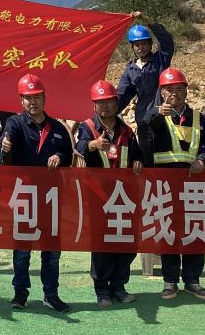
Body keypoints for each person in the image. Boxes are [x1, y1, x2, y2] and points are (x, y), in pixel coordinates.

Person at [139, 67, 205, 301]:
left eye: (178, 89)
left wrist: (203, 160)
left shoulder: (197, 118)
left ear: (186, 90)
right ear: (162, 92)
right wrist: (157, 112)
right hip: (166, 185)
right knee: (170, 231)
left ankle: (193, 280)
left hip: (194, 184)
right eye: (169, 89)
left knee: (195, 230)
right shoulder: (156, 115)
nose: (174, 93)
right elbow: (147, 124)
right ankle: (170, 281)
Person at [0, 73, 73, 313]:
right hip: (24, 197)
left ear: (44, 98)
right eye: (28, 98)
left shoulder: (58, 128)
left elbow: (68, 155)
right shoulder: (14, 124)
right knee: (22, 250)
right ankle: (20, 294)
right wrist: (5, 147)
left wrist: (59, 156)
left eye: (37, 97)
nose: (33, 102)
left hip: (51, 198)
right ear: (21, 100)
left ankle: (51, 295)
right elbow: (4, 151)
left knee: (51, 251)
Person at [75, 80, 142, 307]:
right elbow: (80, 147)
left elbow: (137, 154)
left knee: (125, 243)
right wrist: (93, 145)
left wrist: (138, 161)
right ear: (94, 105)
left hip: (123, 197)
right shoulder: (87, 127)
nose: (104, 106)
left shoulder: (126, 131)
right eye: (99, 102)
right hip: (99, 197)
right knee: (102, 245)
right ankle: (102, 290)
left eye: (108, 102)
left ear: (116, 103)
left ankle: (119, 287)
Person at [116, 16, 175, 125]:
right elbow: (122, 96)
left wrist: (147, 20)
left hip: (165, 117)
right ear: (132, 47)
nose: (141, 48)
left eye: (144, 44)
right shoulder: (130, 70)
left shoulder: (160, 59)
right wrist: (107, 111)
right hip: (144, 119)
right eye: (137, 45)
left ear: (150, 44)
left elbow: (167, 41)